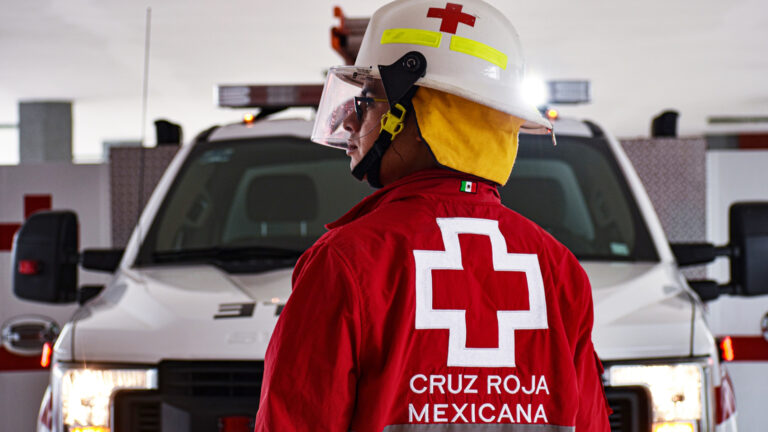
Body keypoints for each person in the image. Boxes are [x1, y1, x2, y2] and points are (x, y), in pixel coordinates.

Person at [254, 0, 611, 430]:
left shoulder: (346, 262)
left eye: (367, 101)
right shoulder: (558, 269)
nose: (349, 122)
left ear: (418, 115)